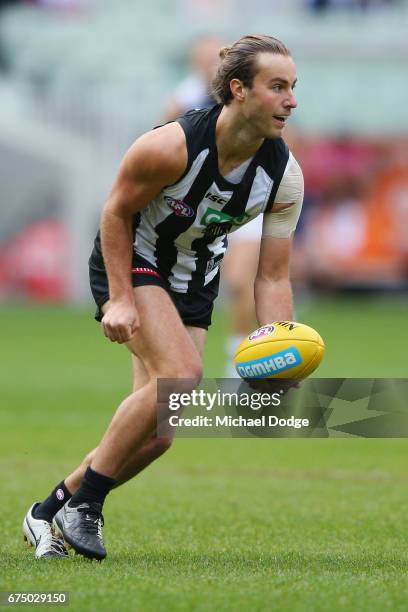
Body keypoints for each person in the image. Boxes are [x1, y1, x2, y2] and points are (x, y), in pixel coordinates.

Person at [23, 34, 304, 560]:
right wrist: (121, 300)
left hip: (194, 279)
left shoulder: (284, 177)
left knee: (157, 435)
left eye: (293, 88)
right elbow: (114, 213)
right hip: (137, 259)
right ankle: (86, 507)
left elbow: (271, 278)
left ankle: (48, 510)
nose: (292, 100)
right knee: (182, 376)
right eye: (278, 87)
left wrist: (276, 350)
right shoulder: (170, 145)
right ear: (239, 90)